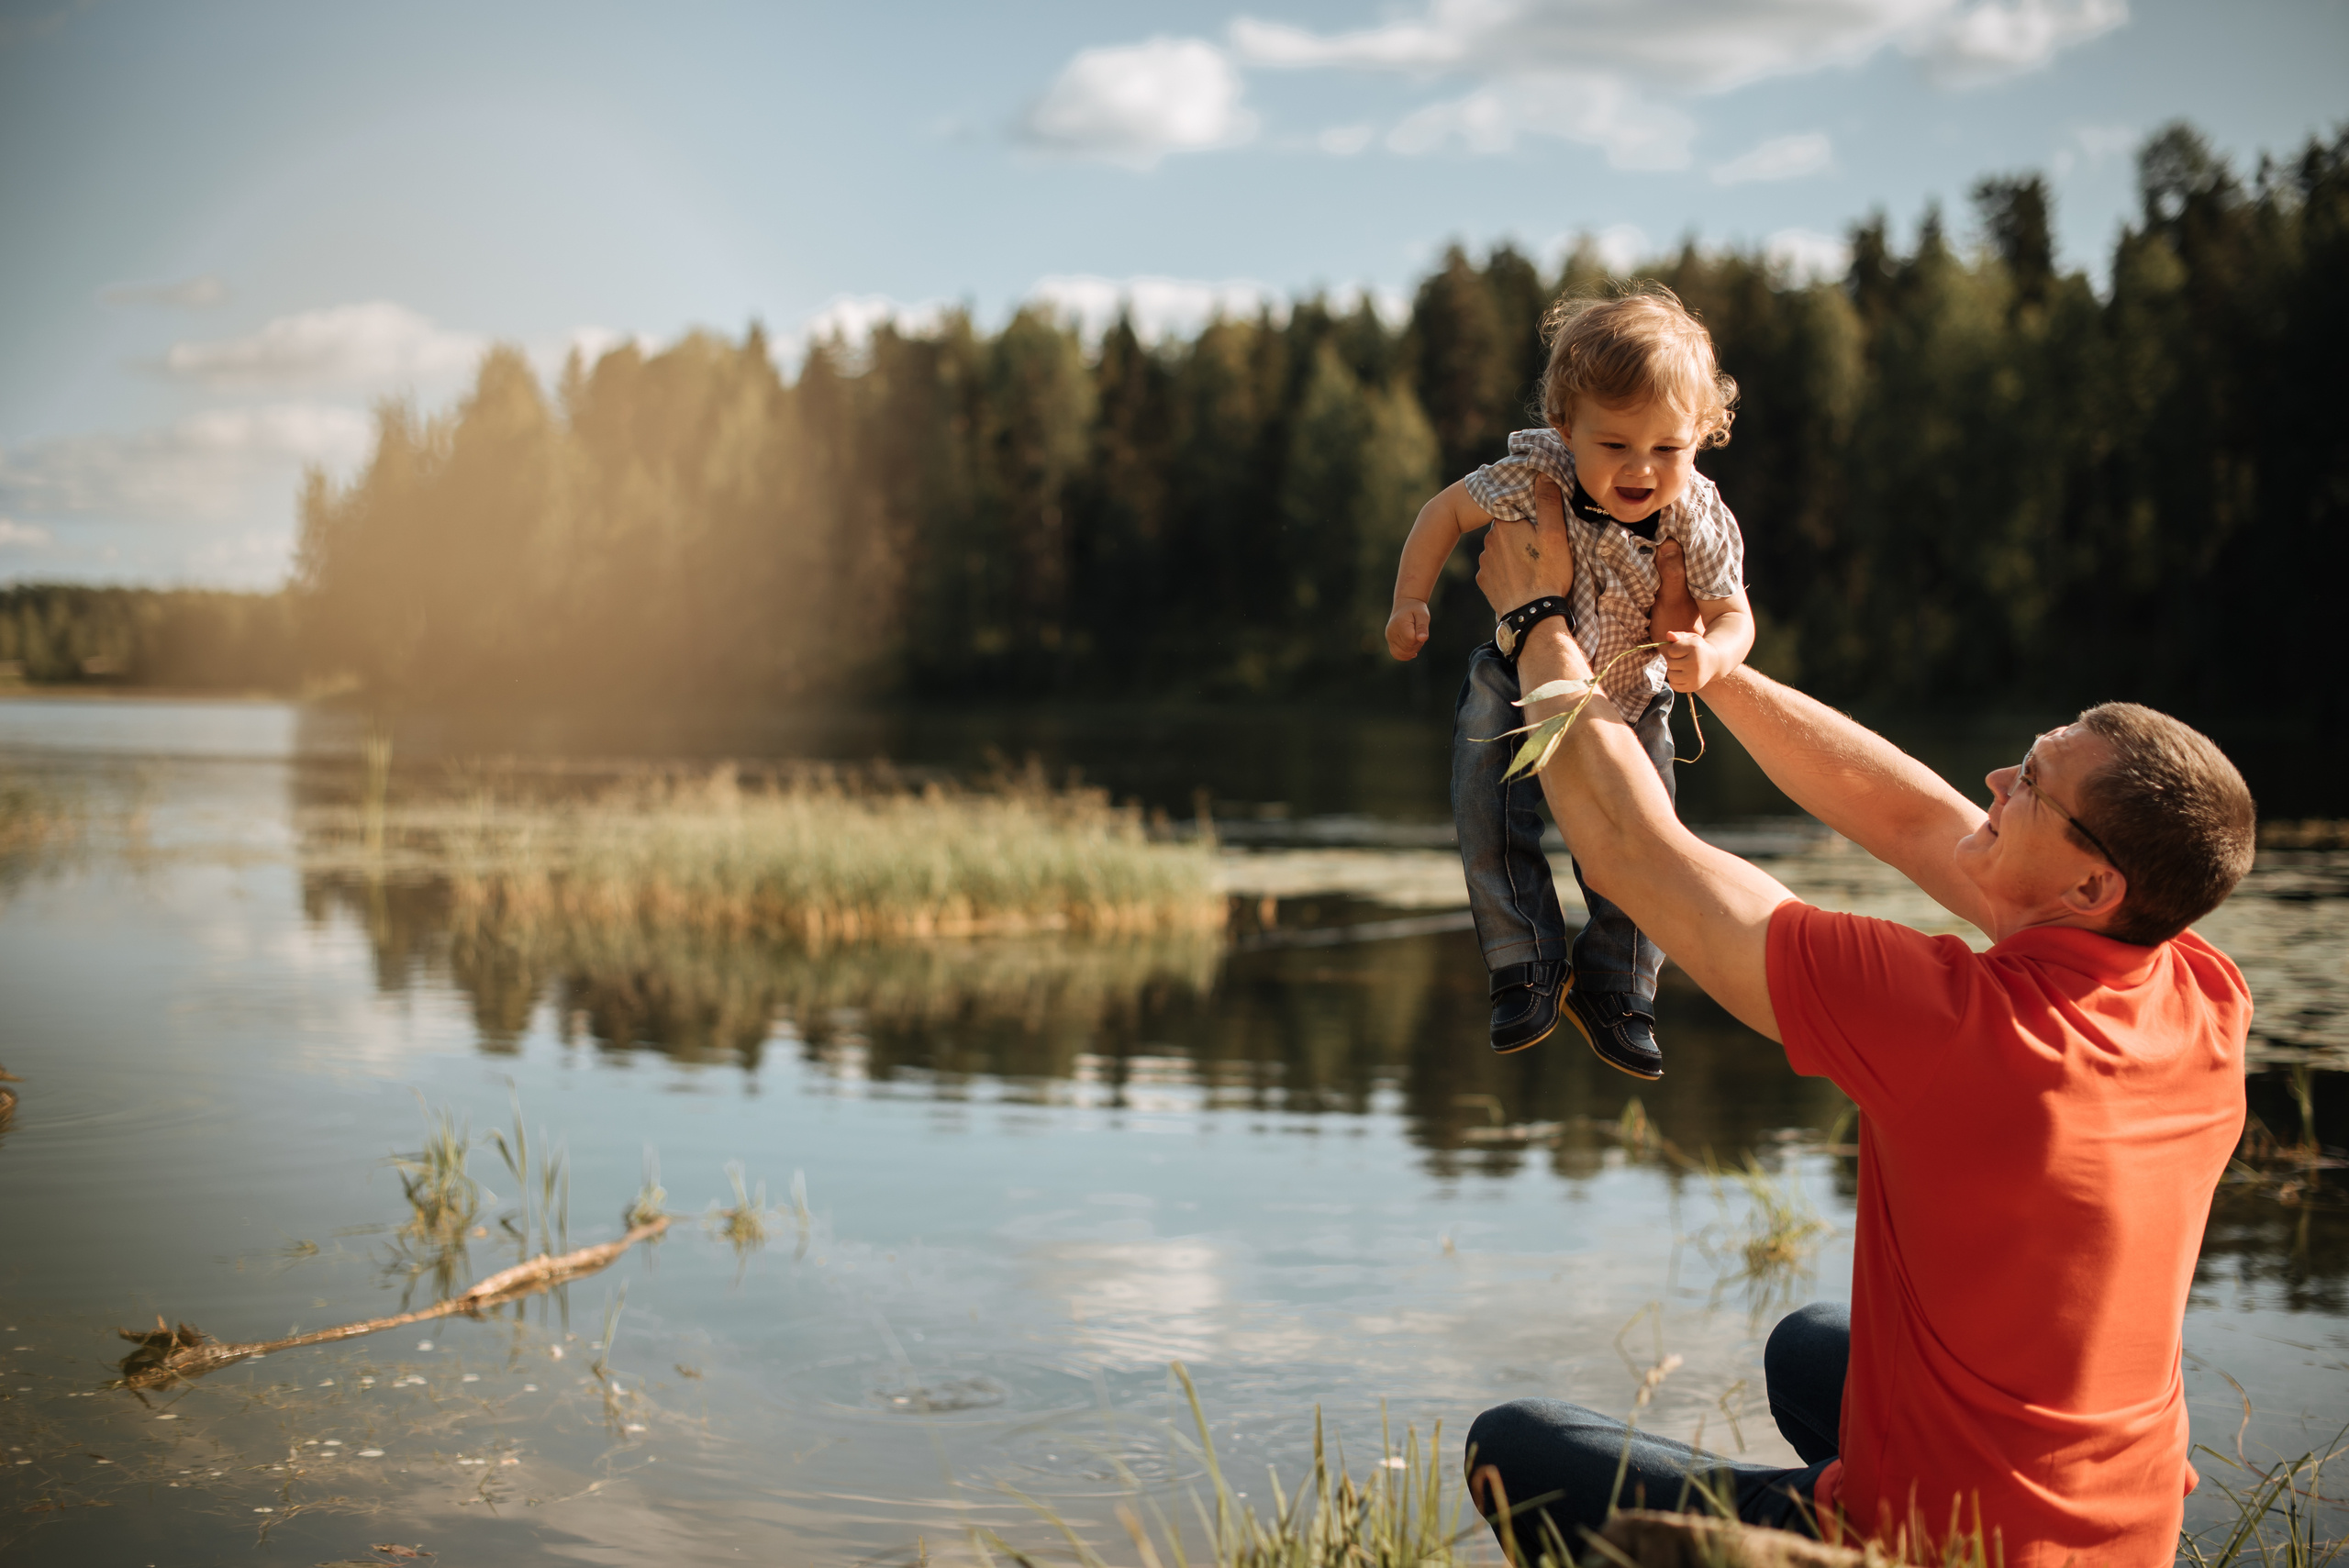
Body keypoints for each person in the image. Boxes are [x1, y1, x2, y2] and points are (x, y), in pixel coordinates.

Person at [1461, 476, 2255, 1568]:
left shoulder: (1958, 1029)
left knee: (1512, 1445)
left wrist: (1533, 624)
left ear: (2091, 884)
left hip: (1949, 1547)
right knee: (1809, 1346)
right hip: (2122, 1534)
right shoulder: (2203, 990)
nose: (1993, 780)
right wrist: (1710, 670)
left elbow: (1634, 854)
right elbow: (1910, 816)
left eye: (2028, 784)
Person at [1385, 284, 1754, 1077]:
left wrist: (1712, 655)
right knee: (1487, 809)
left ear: (1701, 435)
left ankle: (1618, 987)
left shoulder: (1696, 512)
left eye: (1668, 448)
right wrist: (1409, 599)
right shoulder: (1536, 474)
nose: (1641, 468)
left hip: (1632, 696)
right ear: (1565, 425)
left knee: (1650, 846)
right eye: (1614, 444)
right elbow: (1443, 513)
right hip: (1518, 680)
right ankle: (1524, 962)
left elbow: (1735, 614)